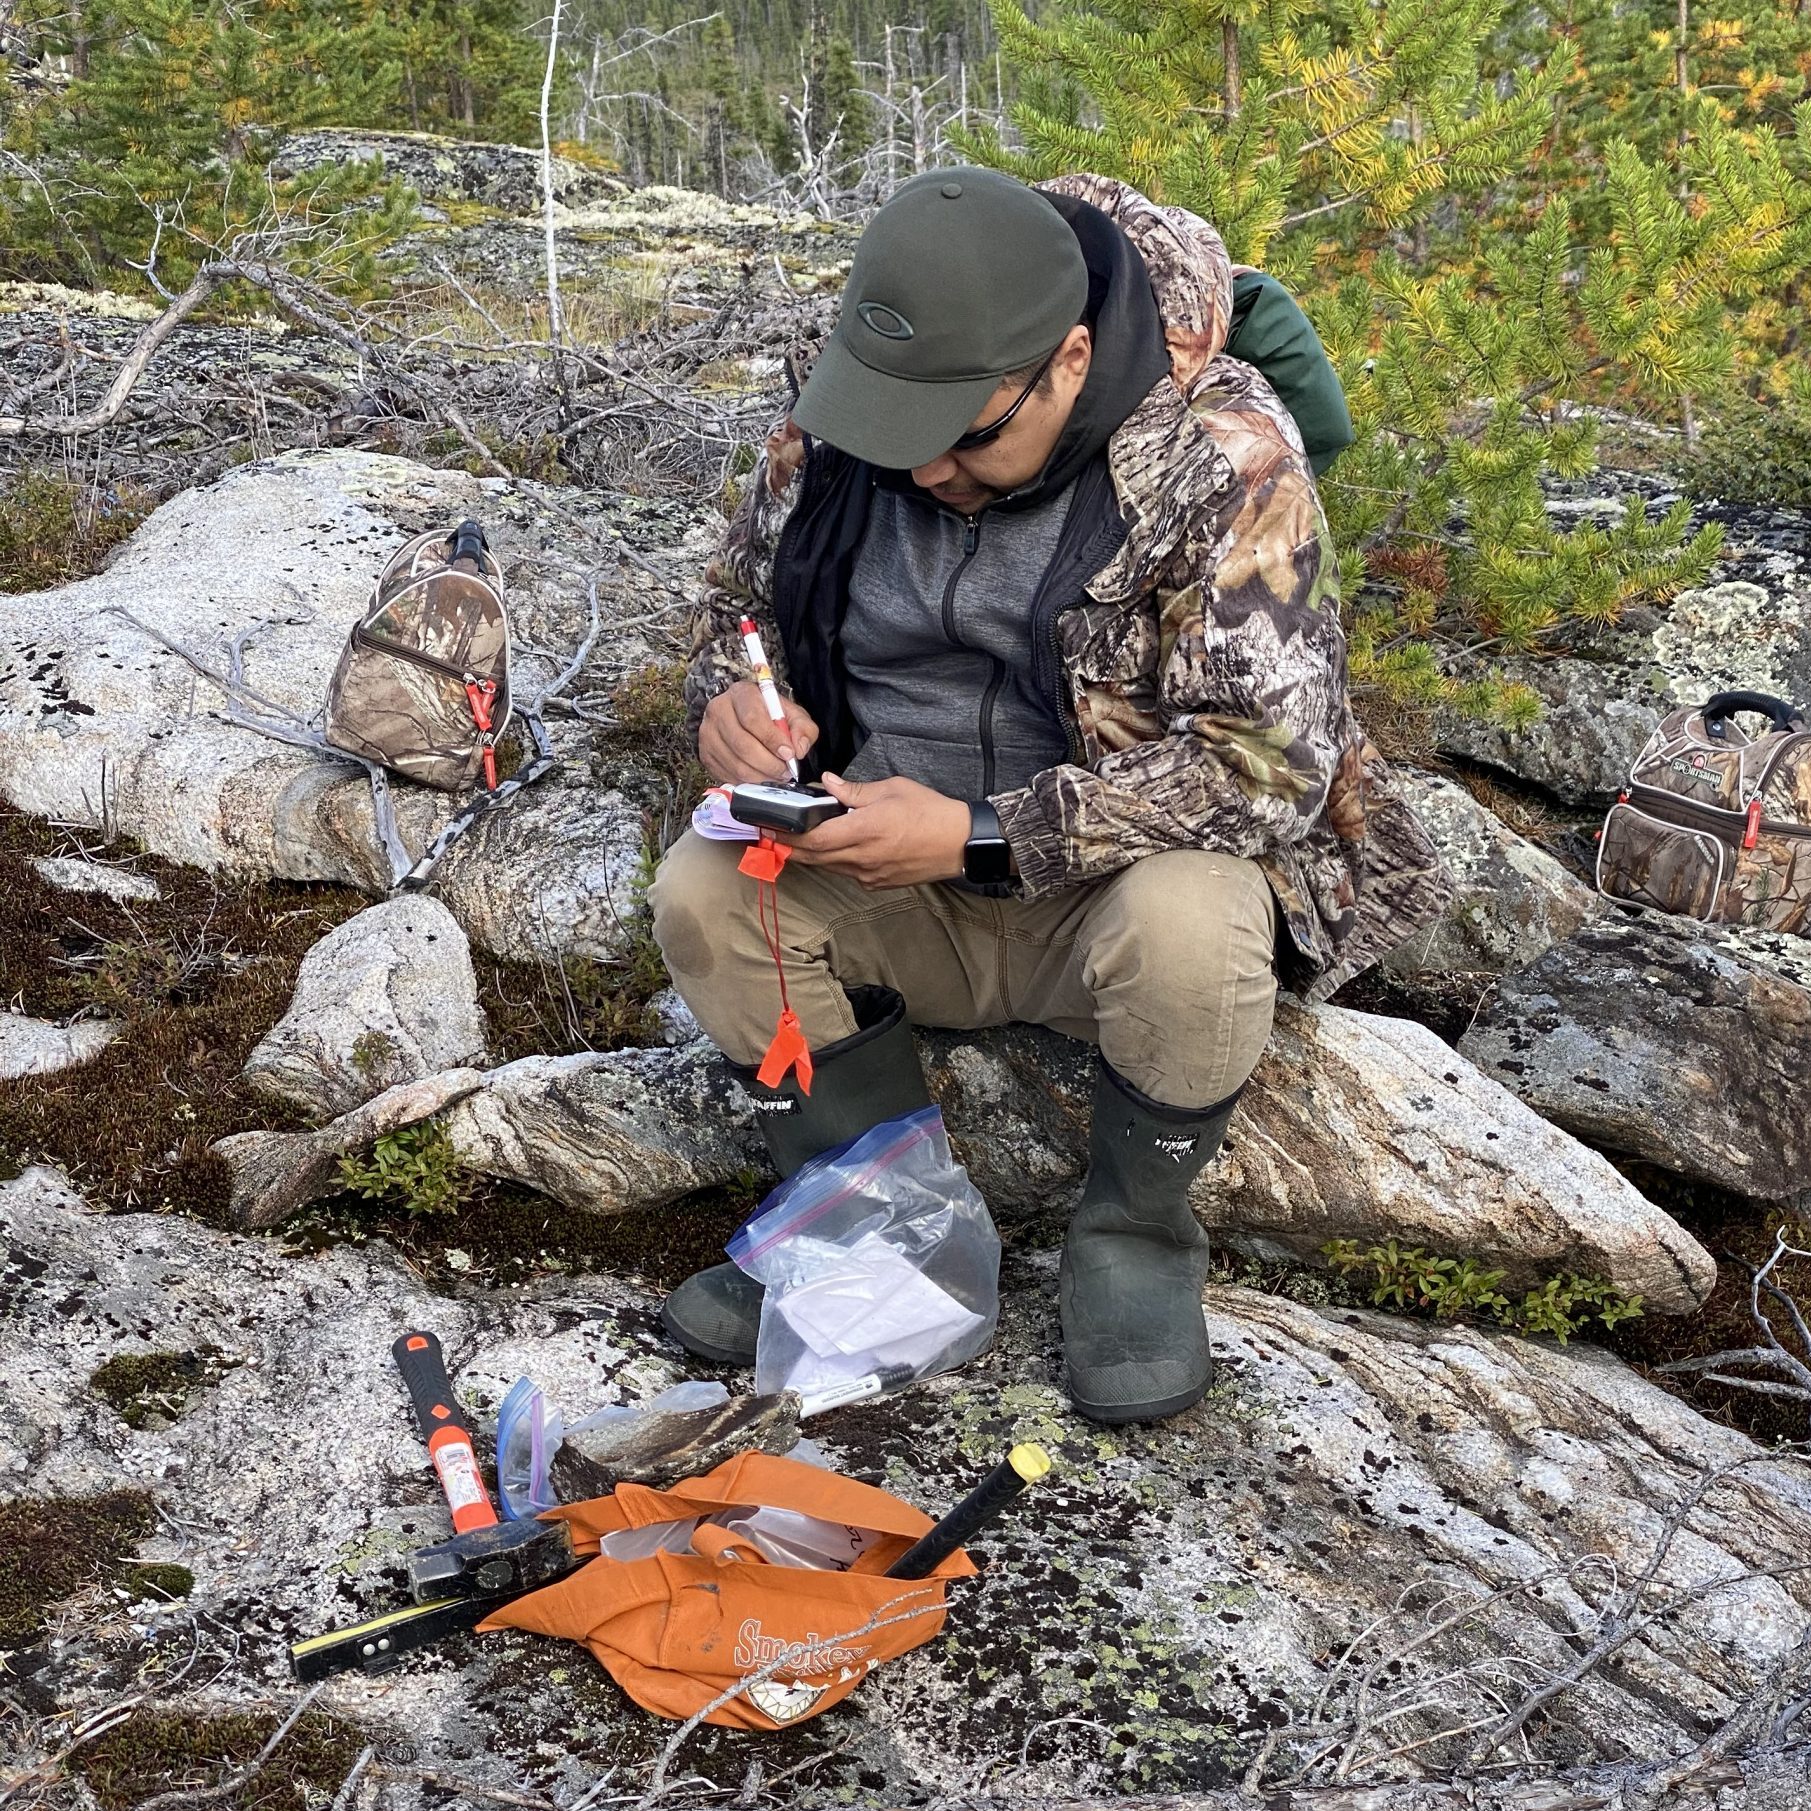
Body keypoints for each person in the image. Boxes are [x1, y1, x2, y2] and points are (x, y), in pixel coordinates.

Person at [648, 168, 1448, 1424]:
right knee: (706, 894)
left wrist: (975, 831)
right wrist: (732, 705)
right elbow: (733, 607)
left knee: (1196, 919)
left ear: (1069, 360)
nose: (925, 473)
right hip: (878, 872)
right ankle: (867, 1224)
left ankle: (1133, 1237)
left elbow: (1268, 768)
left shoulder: (1220, 455)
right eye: (898, 439)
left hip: (1101, 901)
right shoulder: (854, 403)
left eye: (971, 437)